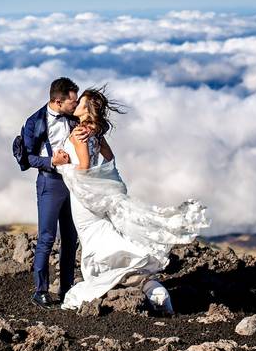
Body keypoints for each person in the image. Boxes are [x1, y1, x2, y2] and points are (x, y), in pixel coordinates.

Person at [56, 85, 209, 314]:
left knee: (93, 239)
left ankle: (122, 284)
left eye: (80, 102)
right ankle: (149, 287)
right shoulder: (96, 132)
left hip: (85, 199)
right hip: (99, 196)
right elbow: (110, 158)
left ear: (86, 109)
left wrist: (63, 163)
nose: (75, 104)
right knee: (105, 237)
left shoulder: (79, 132)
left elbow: (84, 168)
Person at [20, 77, 91, 309]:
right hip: (50, 183)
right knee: (47, 238)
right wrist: (51, 160)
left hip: (74, 182)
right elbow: (27, 157)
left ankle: (67, 288)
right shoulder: (35, 122)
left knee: (71, 238)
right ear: (58, 101)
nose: (76, 104)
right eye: (72, 102)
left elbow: (99, 125)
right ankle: (40, 291)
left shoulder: (73, 116)